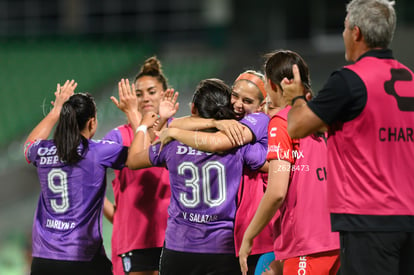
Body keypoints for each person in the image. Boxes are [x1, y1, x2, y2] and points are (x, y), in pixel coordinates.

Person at [281, 1, 414, 274]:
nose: (343, 35)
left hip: (369, 220)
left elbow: (296, 127)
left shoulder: (350, 80)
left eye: (343, 28)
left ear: (356, 33)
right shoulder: (410, 78)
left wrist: (295, 97)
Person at [126, 78, 267, 275]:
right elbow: (268, 164)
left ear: (193, 109)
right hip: (222, 248)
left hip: (178, 248)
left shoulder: (171, 142)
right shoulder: (237, 144)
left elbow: (132, 160)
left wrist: (142, 127)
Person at [239, 50, 340, 275]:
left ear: (275, 86)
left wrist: (249, 236)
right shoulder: (323, 117)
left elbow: (276, 192)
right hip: (337, 238)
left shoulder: (282, 121)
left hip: (307, 242)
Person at [166, 70, 277, 274]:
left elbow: (218, 143)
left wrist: (173, 131)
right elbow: (179, 122)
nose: (237, 104)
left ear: (261, 105)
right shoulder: (230, 125)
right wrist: (214, 123)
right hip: (237, 236)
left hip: (260, 235)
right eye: (234, 96)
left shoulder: (259, 121)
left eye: (247, 100)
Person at [24, 80, 129, 275]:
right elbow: (143, 156)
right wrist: (135, 116)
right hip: (82, 258)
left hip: (43, 260)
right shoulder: (98, 151)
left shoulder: (43, 150)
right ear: (91, 122)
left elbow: (28, 145)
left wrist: (55, 111)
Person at [103, 56, 172, 275]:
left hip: (172, 237)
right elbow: (88, 179)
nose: (145, 99)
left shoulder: (178, 133)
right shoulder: (118, 137)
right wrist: (119, 216)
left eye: (152, 92)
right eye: (139, 94)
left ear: (164, 93)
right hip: (133, 240)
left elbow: (151, 151)